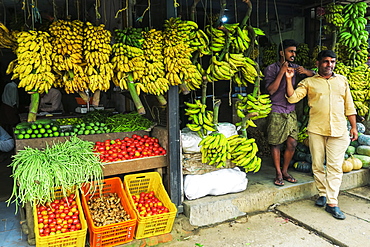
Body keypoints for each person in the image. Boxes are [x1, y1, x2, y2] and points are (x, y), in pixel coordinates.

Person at [286, 50, 357, 220]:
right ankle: (322, 194)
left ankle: (332, 203)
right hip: (317, 130)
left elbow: (349, 105)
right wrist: (289, 80)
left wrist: (353, 127)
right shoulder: (309, 82)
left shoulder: (342, 81)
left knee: (334, 167)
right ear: (317, 63)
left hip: (339, 130)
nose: (329, 65)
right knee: (317, 165)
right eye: (325, 61)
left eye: (332, 61)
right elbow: (292, 98)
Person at [264, 39, 314, 186]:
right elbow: (271, 90)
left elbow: (314, 75)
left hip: (291, 111)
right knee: (276, 144)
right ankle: (278, 174)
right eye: (290, 51)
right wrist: (281, 72)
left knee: (292, 143)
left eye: (294, 52)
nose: (293, 54)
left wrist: (305, 71)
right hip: (276, 110)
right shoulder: (271, 69)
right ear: (282, 53)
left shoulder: (295, 67)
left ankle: (285, 171)